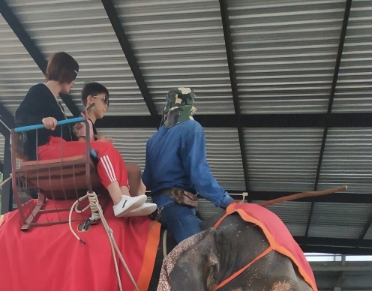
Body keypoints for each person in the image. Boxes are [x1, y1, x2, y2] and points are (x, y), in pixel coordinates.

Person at [15, 52, 155, 217]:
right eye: (74, 76)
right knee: (104, 149)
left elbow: (62, 135)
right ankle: (119, 201)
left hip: (57, 146)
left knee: (111, 151)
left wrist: (73, 130)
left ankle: (125, 198)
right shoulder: (39, 90)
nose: (74, 82)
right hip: (44, 149)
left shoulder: (57, 103)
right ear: (65, 72)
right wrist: (43, 120)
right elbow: (20, 117)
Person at [143, 87, 235, 242]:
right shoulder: (192, 128)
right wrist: (227, 201)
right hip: (175, 206)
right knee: (199, 248)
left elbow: (146, 180)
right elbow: (199, 176)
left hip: (156, 208)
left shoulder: (153, 140)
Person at [76, 81, 148, 197]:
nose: (106, 106)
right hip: (91, 171)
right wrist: (101, 144)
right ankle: (130, 200)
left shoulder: (87, 124)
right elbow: (81, 149)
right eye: (104, 100)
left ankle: (131, 199)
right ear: (90, 99)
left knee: (134, 173)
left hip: (95, 169)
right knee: (133, 169)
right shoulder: (85, 123)